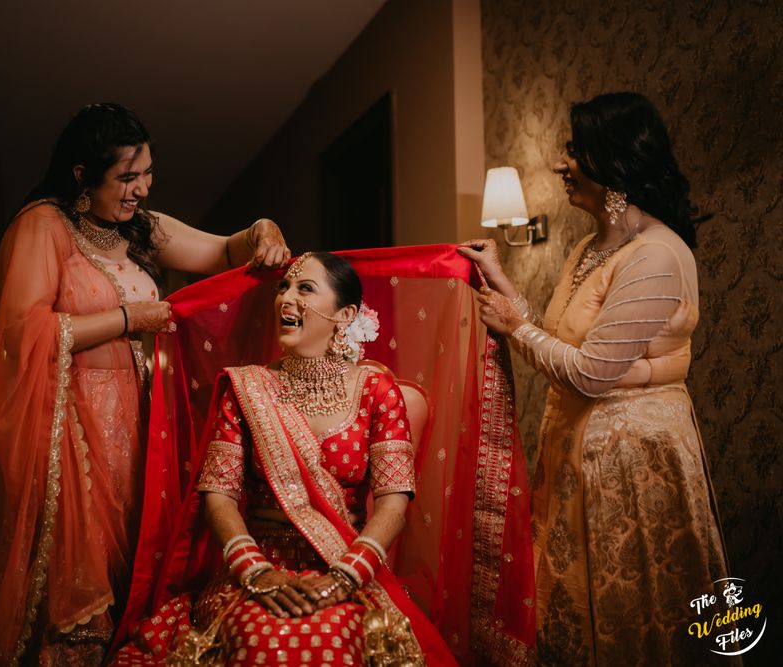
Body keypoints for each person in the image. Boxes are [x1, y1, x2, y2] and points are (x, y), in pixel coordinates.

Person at [0, 103, 290, 666]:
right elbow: (21, 330)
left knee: (136, 573)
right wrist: (131, 320)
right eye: (127, 177)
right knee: (79, 584)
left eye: (148, 173)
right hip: (70, 434)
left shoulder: (140, 228)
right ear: (83, 175)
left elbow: (223, 251)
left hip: (140, 427)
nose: (141, 189)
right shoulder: (44, 225)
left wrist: (262, 230)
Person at [459, 92, 731, 664]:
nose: (562, 164)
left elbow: (590, 374)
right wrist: (505, 288)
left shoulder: (656, 254)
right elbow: (562, 343)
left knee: (636, 622)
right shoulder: (589, 245)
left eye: (576, 150)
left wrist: (517, 330)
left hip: (634, 462)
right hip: (576, 455)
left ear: (616, 163)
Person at [113, 252, 458, 665]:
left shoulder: (376, 392)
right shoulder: (248, 388)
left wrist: (344, 578)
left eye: (305, 288)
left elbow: (394, 505)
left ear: (344, 314)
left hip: (345, 564)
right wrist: (255, 571)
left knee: (338, 635)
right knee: (260, 638)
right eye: (283, 288)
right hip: (255, 568)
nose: (285, 299)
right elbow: (217, 497)